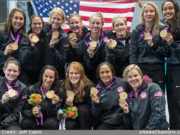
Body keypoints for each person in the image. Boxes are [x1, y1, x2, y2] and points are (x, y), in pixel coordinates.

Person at [129, 2, 169, 89]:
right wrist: (133, 69)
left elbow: (166, 52)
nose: (149, 14)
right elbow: (133, 52)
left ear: (156, 13)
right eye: (146, 11)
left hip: (157, 69)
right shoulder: (137, 30)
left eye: (151, 11)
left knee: (157, 97)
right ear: (143, 14)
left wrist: (152, 45)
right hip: (141, 69)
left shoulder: (162, 29)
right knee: (142, 98)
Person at [123, 64, 169, 129]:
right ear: (127, 80)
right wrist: (126, 112)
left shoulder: (153, 88)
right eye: (130, 77)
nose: (133, 78)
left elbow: (158, 114)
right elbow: (129, 124)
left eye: (135, 75)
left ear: (141, 76)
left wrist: (147, 130)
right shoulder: (129, 96)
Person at [21, 65, 65, 129]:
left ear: (55, 78)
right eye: (46, 76)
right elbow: (24, 109)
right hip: (34, 119)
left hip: (50, 118)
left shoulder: (59, 91)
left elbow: (60, 111)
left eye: (51, 77)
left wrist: (51, 103)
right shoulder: (32, 89)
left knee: (50, 124)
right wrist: (32, 112)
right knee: (26, 123)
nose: (48, 79)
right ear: (42, 76)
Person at [91, 62, 132, 129]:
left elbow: (135, 90)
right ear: (99, 75)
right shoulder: (96, 90)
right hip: (106, 122)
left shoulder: (123, 83)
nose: (105, 75)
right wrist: (96, 103)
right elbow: (95, 114)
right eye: (102, 72)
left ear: (112, 72)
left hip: (122, 120)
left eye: (107, 72)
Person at [161, 0, 180, 129]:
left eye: (170, 8)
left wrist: (172, 42)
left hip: (178, 68)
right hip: (169, 69)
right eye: (165, 9)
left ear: (176, 10)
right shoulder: (163, 27)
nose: (168, 11)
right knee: (172, 103)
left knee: (178, 102)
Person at [0, 8, 30, 83]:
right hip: (2, 73)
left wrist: (16, 50)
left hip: (18, 75)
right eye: (16, 18)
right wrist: (5, 53)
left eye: (21, 19)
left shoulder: (25, 38)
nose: (18, 21)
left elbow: (23, 59)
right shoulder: (1, 32)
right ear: (10, 18)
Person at [61, 61, 93, 129]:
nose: (73, 76)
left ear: (81, 74)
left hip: (84, 115)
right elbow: (62, 106)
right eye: (71, 73)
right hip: (70, 113)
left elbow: (90, 106)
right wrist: (68, 103)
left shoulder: (88, 86)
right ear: (68, 74)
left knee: (82, 110)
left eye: (76, 73)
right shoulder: (64, 85)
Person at [79, 12, 106, 83]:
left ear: (102, 24)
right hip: (86, 79)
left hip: (103, 78)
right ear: (89, 24)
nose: (95, 25)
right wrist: (89, 57)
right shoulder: (82, 43)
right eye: (93, 23)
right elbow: (80, 62)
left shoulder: (107, 41)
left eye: (98, 23)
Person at [0, 57, 27, 129]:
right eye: (9, 70)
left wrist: (2, 124)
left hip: (10, 119)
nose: (11, 73)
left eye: (15, 71)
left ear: (19, 73)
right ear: (4, 70)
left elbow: (17, 112)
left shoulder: (23, 88)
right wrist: (1, 101)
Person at [43, 7, 68, 79]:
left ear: (63, 21)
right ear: (50, 18)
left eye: (58, 19)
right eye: (54, 18)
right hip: (42, 70)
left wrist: (53, 47)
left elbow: (63, 60)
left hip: (56, 73)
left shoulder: (64, 37)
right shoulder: (43, 31)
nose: (55, 21)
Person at [23, 15, 47, 85]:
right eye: (34, 24)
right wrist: (32, 45)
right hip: (28, 74)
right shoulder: (25, 38)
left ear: (42, 24)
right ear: (30, 25)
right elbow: (24, 58)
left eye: (39, 23)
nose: (37, 26)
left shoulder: (46, 37)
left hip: (42, 73)